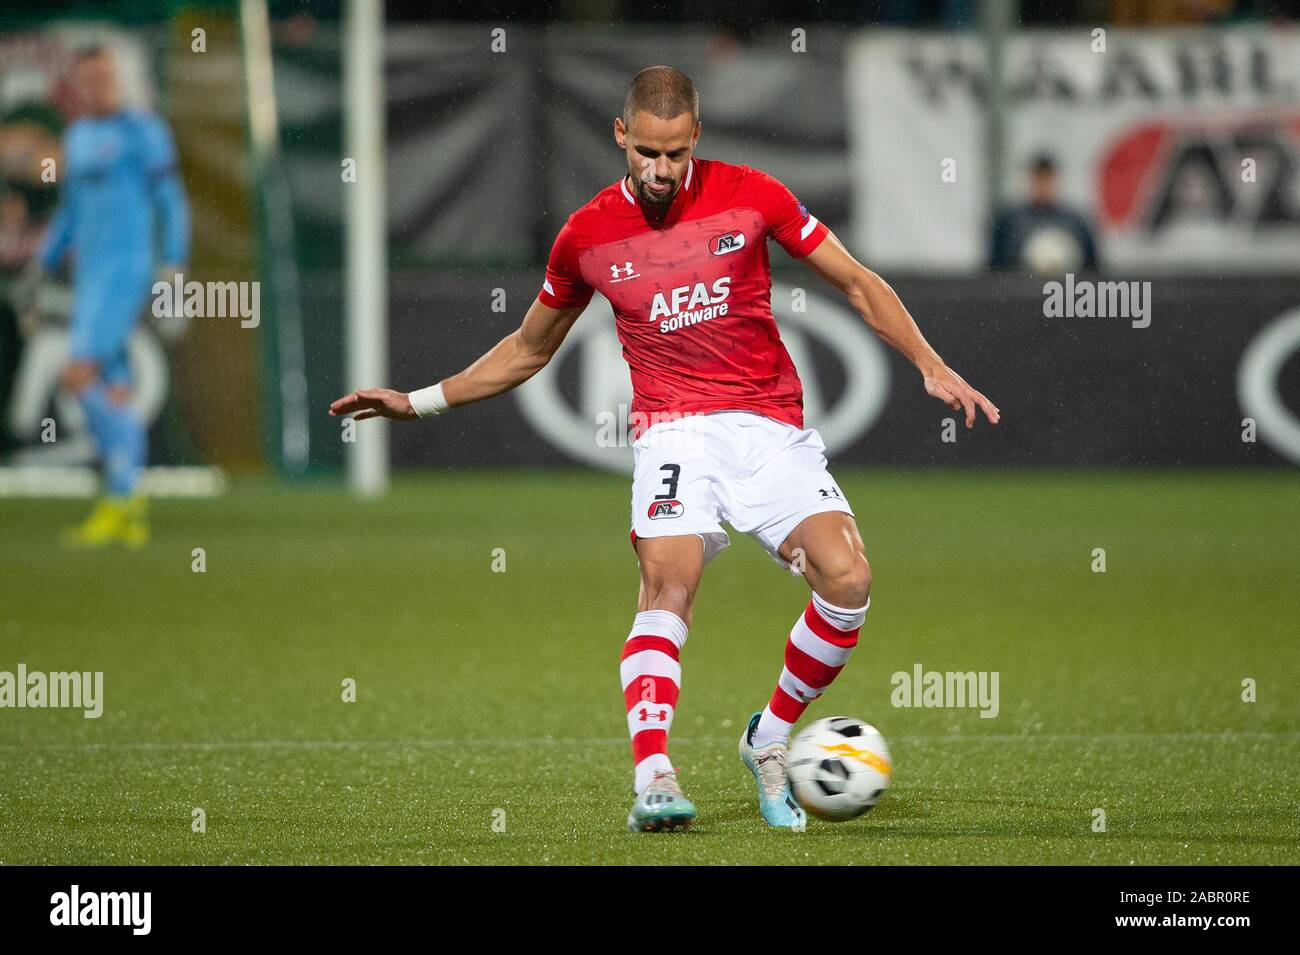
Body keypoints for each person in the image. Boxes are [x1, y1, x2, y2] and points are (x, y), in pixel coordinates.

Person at [330, 66, 999, 832]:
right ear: (621, 136)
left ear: (696, 138)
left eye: (675, 153)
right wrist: (417, 401)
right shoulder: (585, 236)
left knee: (849, 580)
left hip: (769, 423)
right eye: (647, 151)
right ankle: (654, 775)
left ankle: (769, 738)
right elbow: (526, 348)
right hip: (673, 429)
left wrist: (929, 360)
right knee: (668, 583)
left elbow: (854, 280)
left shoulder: (755, 194)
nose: (660, 170)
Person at [28, 45, 189, 547]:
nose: (98, 86)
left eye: (105, 76)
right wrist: (45, 261)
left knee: (77, 373)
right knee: (115, 389)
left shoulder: (144, 133)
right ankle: (127, 502)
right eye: (88, 79)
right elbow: (71, 212)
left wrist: (175, 265)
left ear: (116, 80)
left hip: (126, 272)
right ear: (77, 87)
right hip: (89, 278)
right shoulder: (77, 137)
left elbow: (171, 201)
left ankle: (121, 497)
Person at [988, 154, 1098, 274]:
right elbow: (995, 269)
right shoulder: (1010, 221)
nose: (1043, 186)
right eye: (1038, 179)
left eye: (1047, 179)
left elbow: (1092, 267)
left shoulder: (1075, 222)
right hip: (1020, 290)